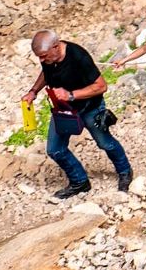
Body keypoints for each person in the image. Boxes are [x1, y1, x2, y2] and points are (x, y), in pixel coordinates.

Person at [22, 29, 132, 198]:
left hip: (90, 107)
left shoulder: (78, 56)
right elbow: (46, 72)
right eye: (39, 57)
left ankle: (125, 171)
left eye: (43, 56)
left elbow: (101, 86)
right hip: (63, 109)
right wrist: (33, 91)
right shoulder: (48, 59)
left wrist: (70, 95)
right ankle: (80, 182)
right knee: (55, 149)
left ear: (56, 47)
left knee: (105, 143)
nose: (41, 60)